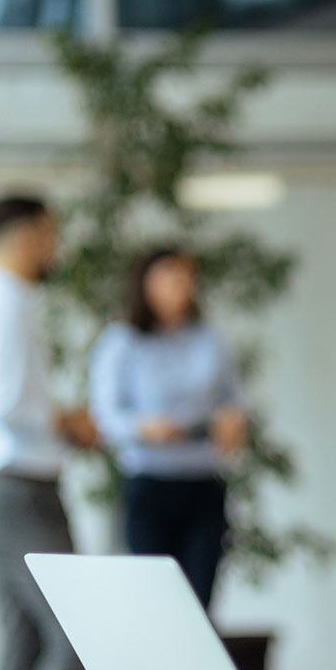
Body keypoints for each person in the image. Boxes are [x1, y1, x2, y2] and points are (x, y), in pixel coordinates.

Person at [0, 194, 97, 670]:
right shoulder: (1, 305)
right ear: (28, 237)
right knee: (76, 632)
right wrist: (67, 421)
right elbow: (5, 406)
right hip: (18, 493)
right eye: (51, 235)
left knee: (24, 641)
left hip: (10, 488)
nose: (56, 248)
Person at [89, 244, 246, 611]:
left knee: (199, 600)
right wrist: (145, 428)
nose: (180, 287)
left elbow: (234, 400)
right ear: (145, 285)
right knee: (153, 601)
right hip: (149, 482)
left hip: (202, 481)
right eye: (170, 279)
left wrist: (233, 421)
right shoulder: (122, 342)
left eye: (186, 279)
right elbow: (105, 415)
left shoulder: (211, 341)